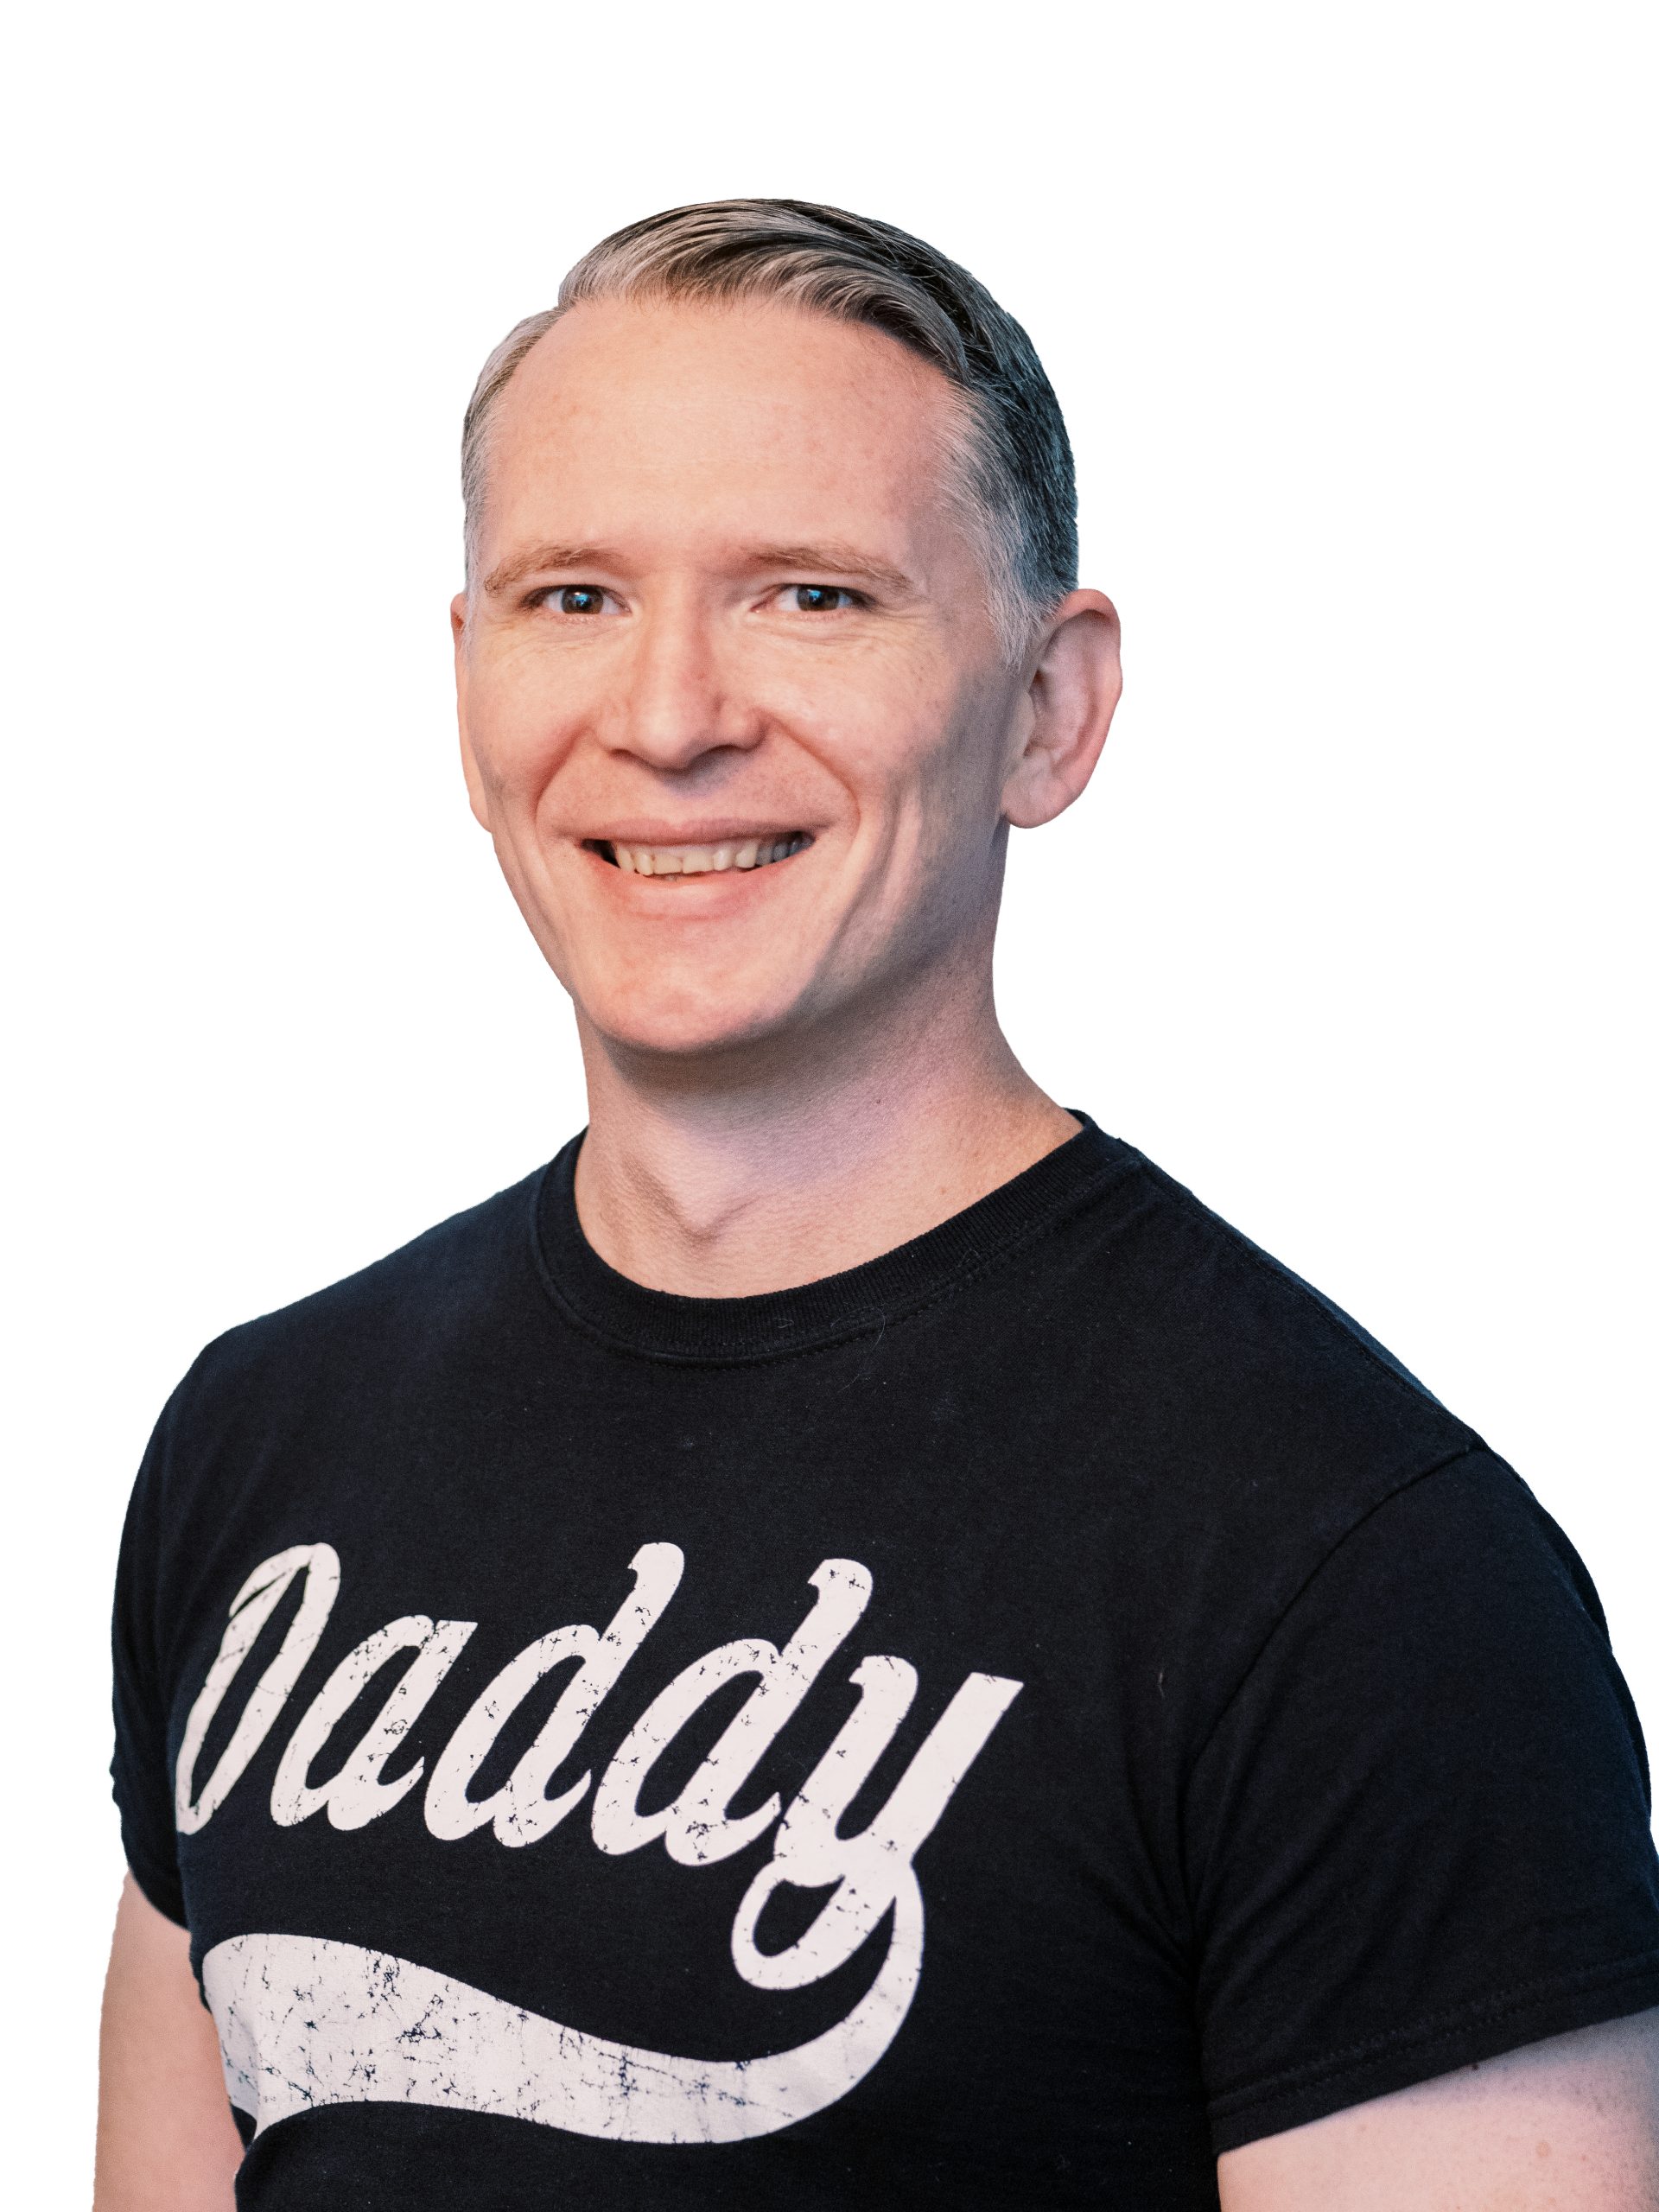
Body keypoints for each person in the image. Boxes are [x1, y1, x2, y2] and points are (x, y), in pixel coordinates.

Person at [96, 200, 1659, 2211]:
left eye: (811, 598)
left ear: (1048, 707)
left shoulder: (1355, 1574)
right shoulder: (262, 1441)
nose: (668, 716)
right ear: (466, 676)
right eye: (574, 596)